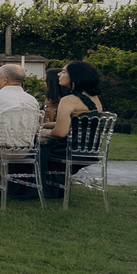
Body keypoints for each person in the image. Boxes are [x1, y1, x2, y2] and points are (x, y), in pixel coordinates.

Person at [40, 61, 104, 197]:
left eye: (63, 71)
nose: (59, 74)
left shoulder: (68, 99)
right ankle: (53, 187)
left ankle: (30, 186)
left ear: (75, 76)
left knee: (29, 147)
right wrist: (46, 125)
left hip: (66, 150)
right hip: (87, 150)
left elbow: (60, 132)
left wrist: (44, 132)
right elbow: (77, 124)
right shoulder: (94, 98)